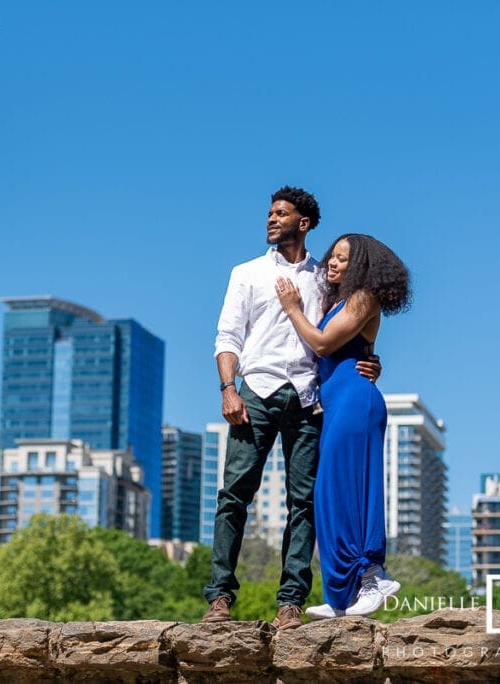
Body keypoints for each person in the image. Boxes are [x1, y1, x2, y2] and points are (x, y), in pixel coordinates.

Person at [202, 187, 380, 630]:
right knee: (234, 496)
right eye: (269, 213)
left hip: (308, 400)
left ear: (304, 223)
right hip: (255, 395)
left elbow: (349, 325)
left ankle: (291, 603)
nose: (271, 219)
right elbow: (228, 336)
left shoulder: (325, 277)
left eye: (281, 214)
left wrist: (370, 359)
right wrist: (228, 387)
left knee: (304, 503)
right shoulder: (245, 273)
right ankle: (219, 597)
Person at [274, 233, 412, 618]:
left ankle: (373, 576)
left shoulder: (364, 297)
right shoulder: (338, 301)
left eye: (343, 259)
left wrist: (292, 308)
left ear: (362, 266)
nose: (333, 264)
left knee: (352, 492)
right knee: (329, 496)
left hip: (355, 403)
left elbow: (321, 344)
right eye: (332, 257)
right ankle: (344, 595)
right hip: (336, 405)